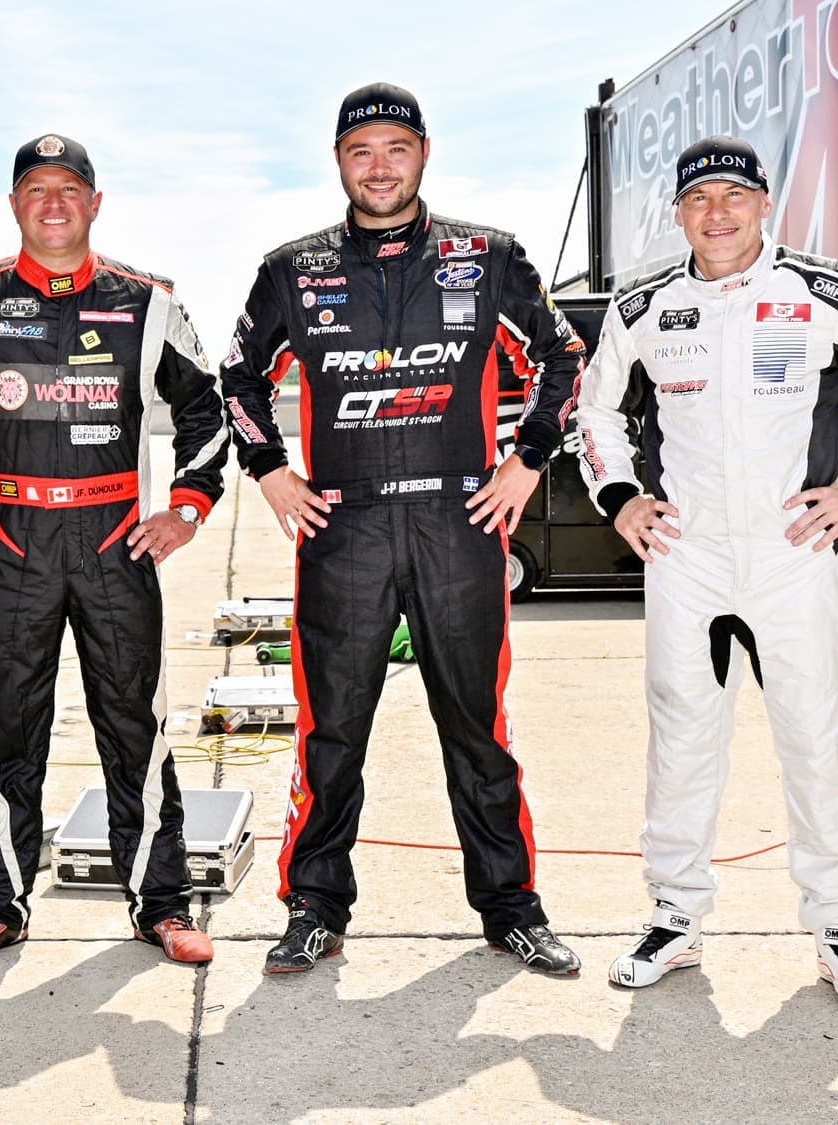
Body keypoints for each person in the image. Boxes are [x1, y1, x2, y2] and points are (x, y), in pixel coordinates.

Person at [573, 136, 838, 1013]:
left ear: (764, 203)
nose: (717, 213)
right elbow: (593, 406)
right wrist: (620, 494)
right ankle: (675, 917)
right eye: (699, 199)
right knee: (680, 737)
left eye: (733, 197)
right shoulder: (641, 308)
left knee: (819, 739)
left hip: (796, 554)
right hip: (687, 558)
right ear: (677, 213)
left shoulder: (828, 291)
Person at [220, 83, 585, 977]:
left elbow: (563, 357)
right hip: (343, 527)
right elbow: (235, 377)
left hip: (459, 521)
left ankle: (510, 907)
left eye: (395, 148)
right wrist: (270, 470)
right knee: (332, 730)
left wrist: (527, 459)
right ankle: (314, 904)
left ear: (424, 153)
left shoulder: (487, 255)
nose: (378, 167)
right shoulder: (291, 269)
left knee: (476, 726)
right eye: (360, 151)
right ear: (338, 161)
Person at [0, 133, 229, 967]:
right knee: (6, 731)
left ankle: (161, 902)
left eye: (69, 188)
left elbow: (208, 410)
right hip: (11, 542)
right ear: (15, 205)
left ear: (94, 201)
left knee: (137, 726)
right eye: (36, 189)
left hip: (116, 540)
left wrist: (186, 507)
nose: (54, 203)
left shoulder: (148, 299)